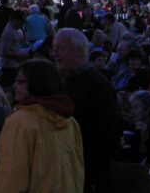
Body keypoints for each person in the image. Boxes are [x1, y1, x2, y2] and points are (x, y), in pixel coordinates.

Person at [0, 59, 84, 193]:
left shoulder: (20, 122)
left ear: (37, 84)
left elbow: (11, 178)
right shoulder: (70, 121)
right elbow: (77, 170)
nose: (14, 85)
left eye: (20, 81)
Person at [53, 28, 117, 193]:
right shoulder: (66, 81)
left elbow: (105, 135)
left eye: (60, 48)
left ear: (79, 51)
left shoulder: (98, 86)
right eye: (54, 49)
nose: (55, 53)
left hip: (87, 172)